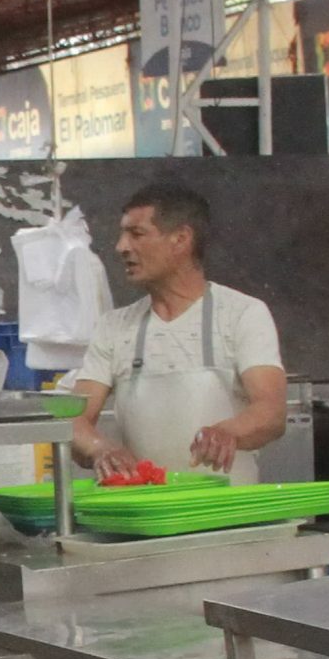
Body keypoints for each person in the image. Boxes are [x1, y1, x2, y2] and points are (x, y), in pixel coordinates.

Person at [69, 183, 287, 482]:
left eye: (137, 234)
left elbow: (271, 412)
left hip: (228, 513)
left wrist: (227, 432)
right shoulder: (114, 327)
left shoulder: (242, 313)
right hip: (147, 515)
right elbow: (74, 419)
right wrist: (98, 447)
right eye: (123, 234)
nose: (121, 247)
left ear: (181, 239)